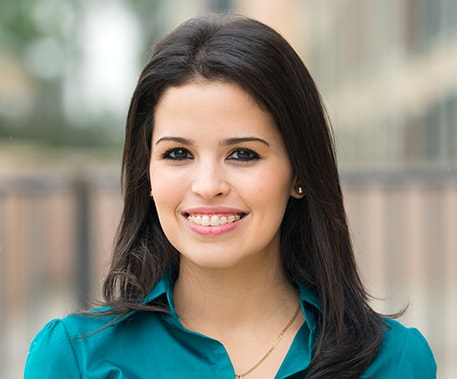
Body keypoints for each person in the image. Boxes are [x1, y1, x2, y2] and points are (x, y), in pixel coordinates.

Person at [24, 14, 436, 379]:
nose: (207, 184)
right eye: (177, 154)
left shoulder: (394, 361)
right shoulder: (72, 359)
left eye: (243, 154)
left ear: (300, 173)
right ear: (146, 174)